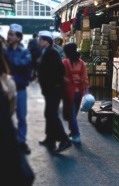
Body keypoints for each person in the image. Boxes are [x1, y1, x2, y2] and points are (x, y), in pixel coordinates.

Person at [37, 30, 72, 153]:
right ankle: (50, 139)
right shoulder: (46, 51)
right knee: (48, 114)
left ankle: (64, 139)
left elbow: (60, 69)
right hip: (49, 89)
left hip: (54, 89)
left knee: (52, 114)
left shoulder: (51, 52)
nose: (39, 41)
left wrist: (54, 84)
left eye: (41, 40)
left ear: (46, 41)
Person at [5, 24, 32, 154]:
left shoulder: (24, 52)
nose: (8, 36)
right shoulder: (4, 51)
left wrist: (12, 62)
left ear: (19, 37)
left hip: (20, 89)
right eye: (8, 34)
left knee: (21, 117)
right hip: (5, 90)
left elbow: (26, 64)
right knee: (5, 116)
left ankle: (22, 141)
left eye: (11, 34)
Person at [63, 42, 89, 143]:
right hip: (80, 91)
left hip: (69, 91)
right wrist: (86, 90)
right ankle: (72, 131)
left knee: (71, 114)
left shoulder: (65, 63)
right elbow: (85, 77)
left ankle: (76, 134)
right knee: (73, 113)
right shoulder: (81, 62)